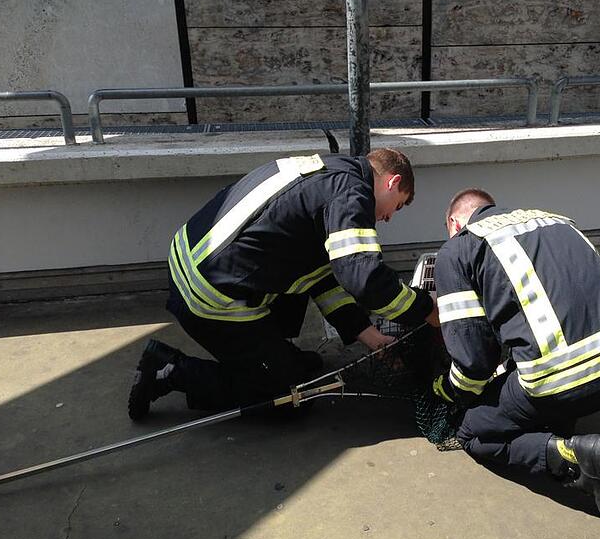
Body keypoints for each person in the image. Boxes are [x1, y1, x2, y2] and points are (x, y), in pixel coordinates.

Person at [128, 148, 438, 420]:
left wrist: (371, 337)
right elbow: (366, 280)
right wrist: (425, 309)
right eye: (397, 206)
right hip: (211, 296)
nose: (388, 218)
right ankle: (169, 372)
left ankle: (277, 357)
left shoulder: (329, 172)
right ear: (392, 182)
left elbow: (325, 278)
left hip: (191, 265)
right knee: (290, 397)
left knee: (299, 366)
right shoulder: (352, 193)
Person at [430, 189, 600, 530]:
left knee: (474, 432)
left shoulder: (458, 247)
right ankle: (558, 417)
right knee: (545, 387)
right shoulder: (555, 219)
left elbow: (474, 361)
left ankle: (575, 460)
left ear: (454, 222)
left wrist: (448, 390)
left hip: (564, 381)